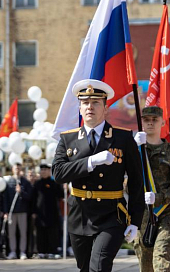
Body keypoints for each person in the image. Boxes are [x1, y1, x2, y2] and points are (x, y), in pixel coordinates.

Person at [52, 79, 145, 272]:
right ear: (79, 108)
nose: (90, 107)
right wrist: (90, 162)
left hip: (111, 214)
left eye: (95, 103)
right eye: (85, 103)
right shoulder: (68, 139)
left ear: (105, 108)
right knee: (85, 268)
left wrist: (136, 221)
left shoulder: (123, 138)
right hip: (80, 215)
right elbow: (58, 173)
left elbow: (136, 182)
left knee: (100, 265)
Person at [131, 106, 170, 272]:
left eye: (155, 120)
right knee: (145, 264)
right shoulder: (135, 150)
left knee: (161, 256)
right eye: (146, 120)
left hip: (166, 213)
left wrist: (160, 197)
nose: (150, 123)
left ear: (162, 122)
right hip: (142, 215)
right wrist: (133, 148)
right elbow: (125, 181)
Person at [32, 164, 64, 259]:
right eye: (42, 170)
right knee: (41, 233)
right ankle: (41, 251)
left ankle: (52, 251)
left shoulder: (54, 183)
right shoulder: (37, 184)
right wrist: (33, 212)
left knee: (52, 233)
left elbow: (60, 195)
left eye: (45, 170)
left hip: (52, 212)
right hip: (40, 213)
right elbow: (33, 199)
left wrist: (63, 187)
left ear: (49, 171)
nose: (43, 171)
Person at [3, 163, 32, 260]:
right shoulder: (9, 182)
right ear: (12, 169)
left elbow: (29, 197)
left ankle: (22, 252)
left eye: (19, 168)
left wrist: (21, 192)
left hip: (22, 211)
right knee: (11, 233)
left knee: (23, 233)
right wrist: (6, 212)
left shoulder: (25, 182)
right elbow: (6, 198)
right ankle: (12, 251)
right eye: (15, 168)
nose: (17, 170)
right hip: (12, 212)